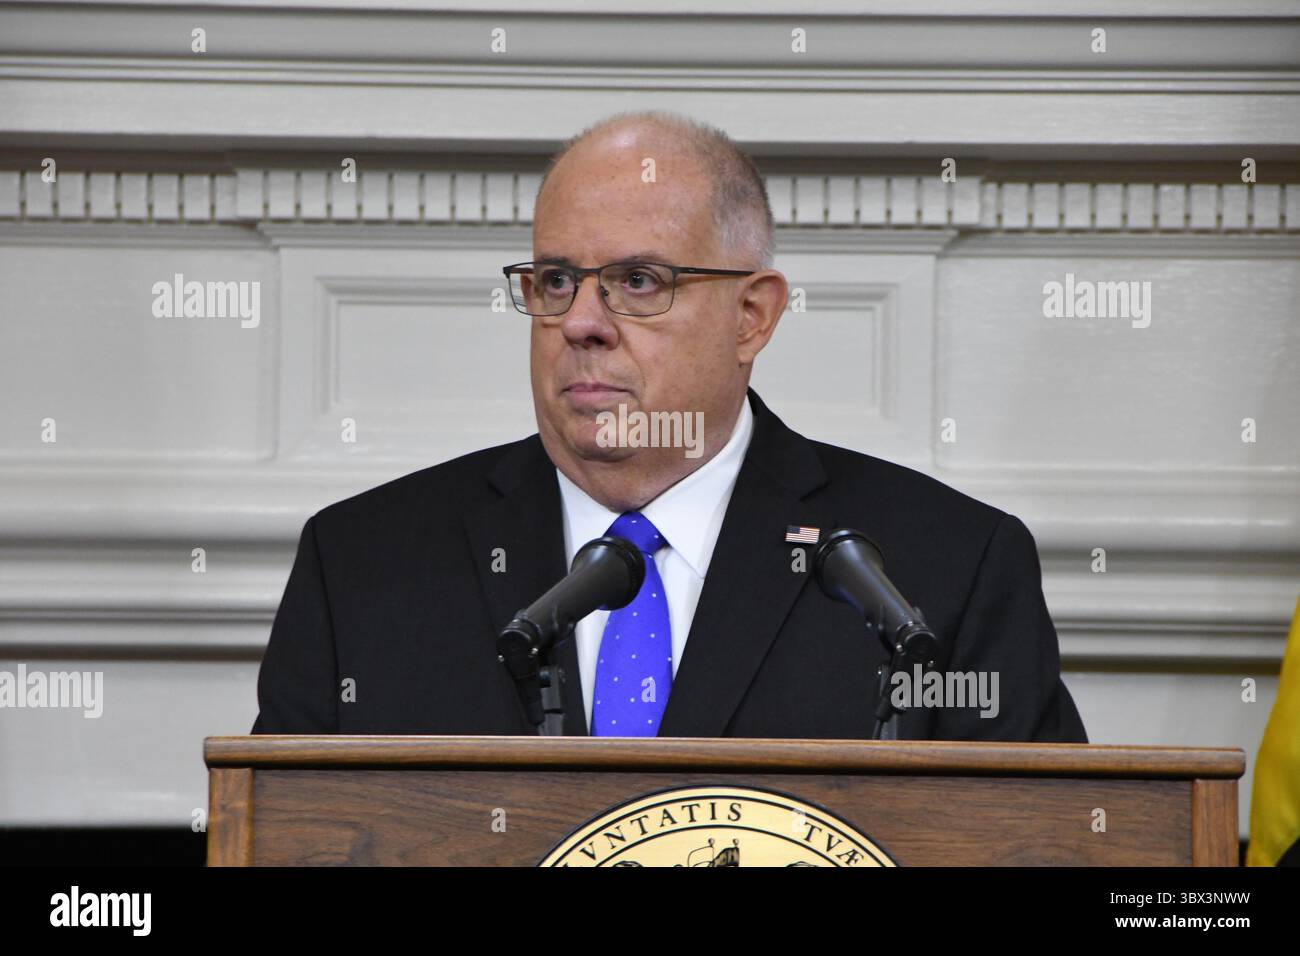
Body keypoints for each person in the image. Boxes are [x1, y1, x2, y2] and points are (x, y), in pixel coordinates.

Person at [252, 110, 1086, 743]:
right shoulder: (362, 565)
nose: (581, 321)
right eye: (554, 281)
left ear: (751, 317)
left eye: (638, 281)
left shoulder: (945, 567)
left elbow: (1040, 842)